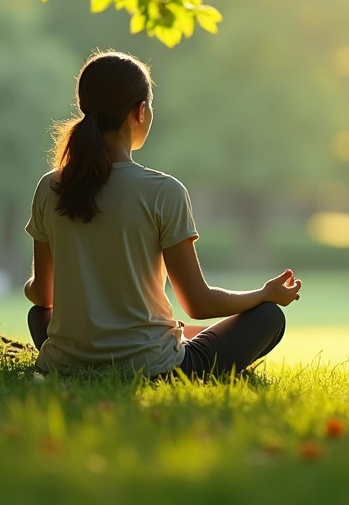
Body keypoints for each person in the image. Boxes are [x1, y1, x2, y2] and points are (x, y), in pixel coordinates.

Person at [22, 51, 303, 379]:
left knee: (37, 315)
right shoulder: (163, 191)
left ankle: (94, 353)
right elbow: (198, 302)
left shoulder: (50, 186)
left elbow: (42, 295)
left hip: (65, 364)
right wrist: (264, 294)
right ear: (140, 112)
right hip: (153, 368)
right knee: (269, 317)